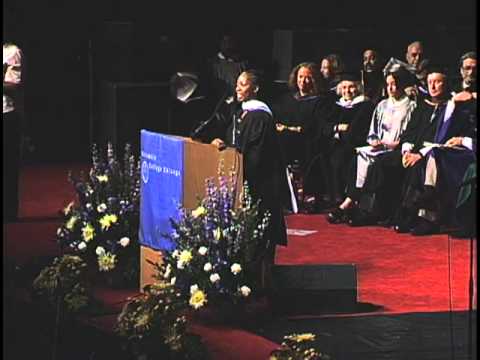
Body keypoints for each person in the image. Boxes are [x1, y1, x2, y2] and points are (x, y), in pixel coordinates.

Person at [210, 70, 288, 290]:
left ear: (255, 89)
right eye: (237, 84)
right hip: (245, 184)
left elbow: (255, 157)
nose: (237, 88)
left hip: (260, 186)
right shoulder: (240, 114)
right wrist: (223, 146)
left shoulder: (260, 117)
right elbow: (236, 145)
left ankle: (264, 290)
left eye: (243, 85)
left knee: (262, 242)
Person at [393, 65, 476, 235]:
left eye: (437, 82)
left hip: (467, 153)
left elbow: (459, 136)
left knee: (433, 156)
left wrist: (463, 140)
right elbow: (439, 136)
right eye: (430, 82)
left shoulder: (463, 106)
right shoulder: (451, 106)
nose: (432, 86)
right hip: (447, 151)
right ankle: (421, 213)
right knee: (430, 157)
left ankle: (424, 211)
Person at [327, 68, 417, 225]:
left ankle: (358, 207)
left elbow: (411, 134)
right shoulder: (382, 105)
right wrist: (373, 141)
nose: (390, 88)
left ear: (402, 85)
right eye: (388, 84)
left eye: (394, 84)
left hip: (397, 148)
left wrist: (394, 144)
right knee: (359, 157)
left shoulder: (411, 106)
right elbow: (373, 131)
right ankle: (353, 203)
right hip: (380, 146)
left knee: (377, 163)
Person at [320, 72, 376, 207]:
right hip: (334, 142)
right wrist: (337, 128)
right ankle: (326, 196)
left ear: (358, 88)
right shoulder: (336, 105)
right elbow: (324, 126)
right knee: (320, 154)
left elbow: (356, 130)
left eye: (351, 87)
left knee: (338, 157)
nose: (347, 91)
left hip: (354, 143)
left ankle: (341, 198)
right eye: (344, 87)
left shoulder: (365, 106)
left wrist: (336, 132)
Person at [3, 41, 23, 222]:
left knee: (8, 167)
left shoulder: (11, 51)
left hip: (6, 114)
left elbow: (13, 86)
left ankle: (8, 212)